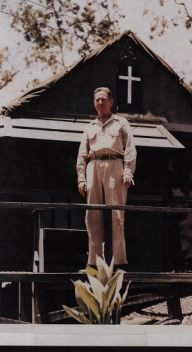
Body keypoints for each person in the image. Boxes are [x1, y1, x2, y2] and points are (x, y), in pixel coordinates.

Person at [76, 87, 137, 270]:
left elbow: (130, 148)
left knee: (117, 214)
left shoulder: (121, 123)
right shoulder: (89, 127)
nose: (100, 103)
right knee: (92, 214)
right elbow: (82, 154)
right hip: (93, 166)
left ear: (111, 102)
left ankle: (118, 261)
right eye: (97, 100)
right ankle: (94, 261)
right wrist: (81, 178)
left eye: (103, 100)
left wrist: (127, 172)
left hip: (114, 165)